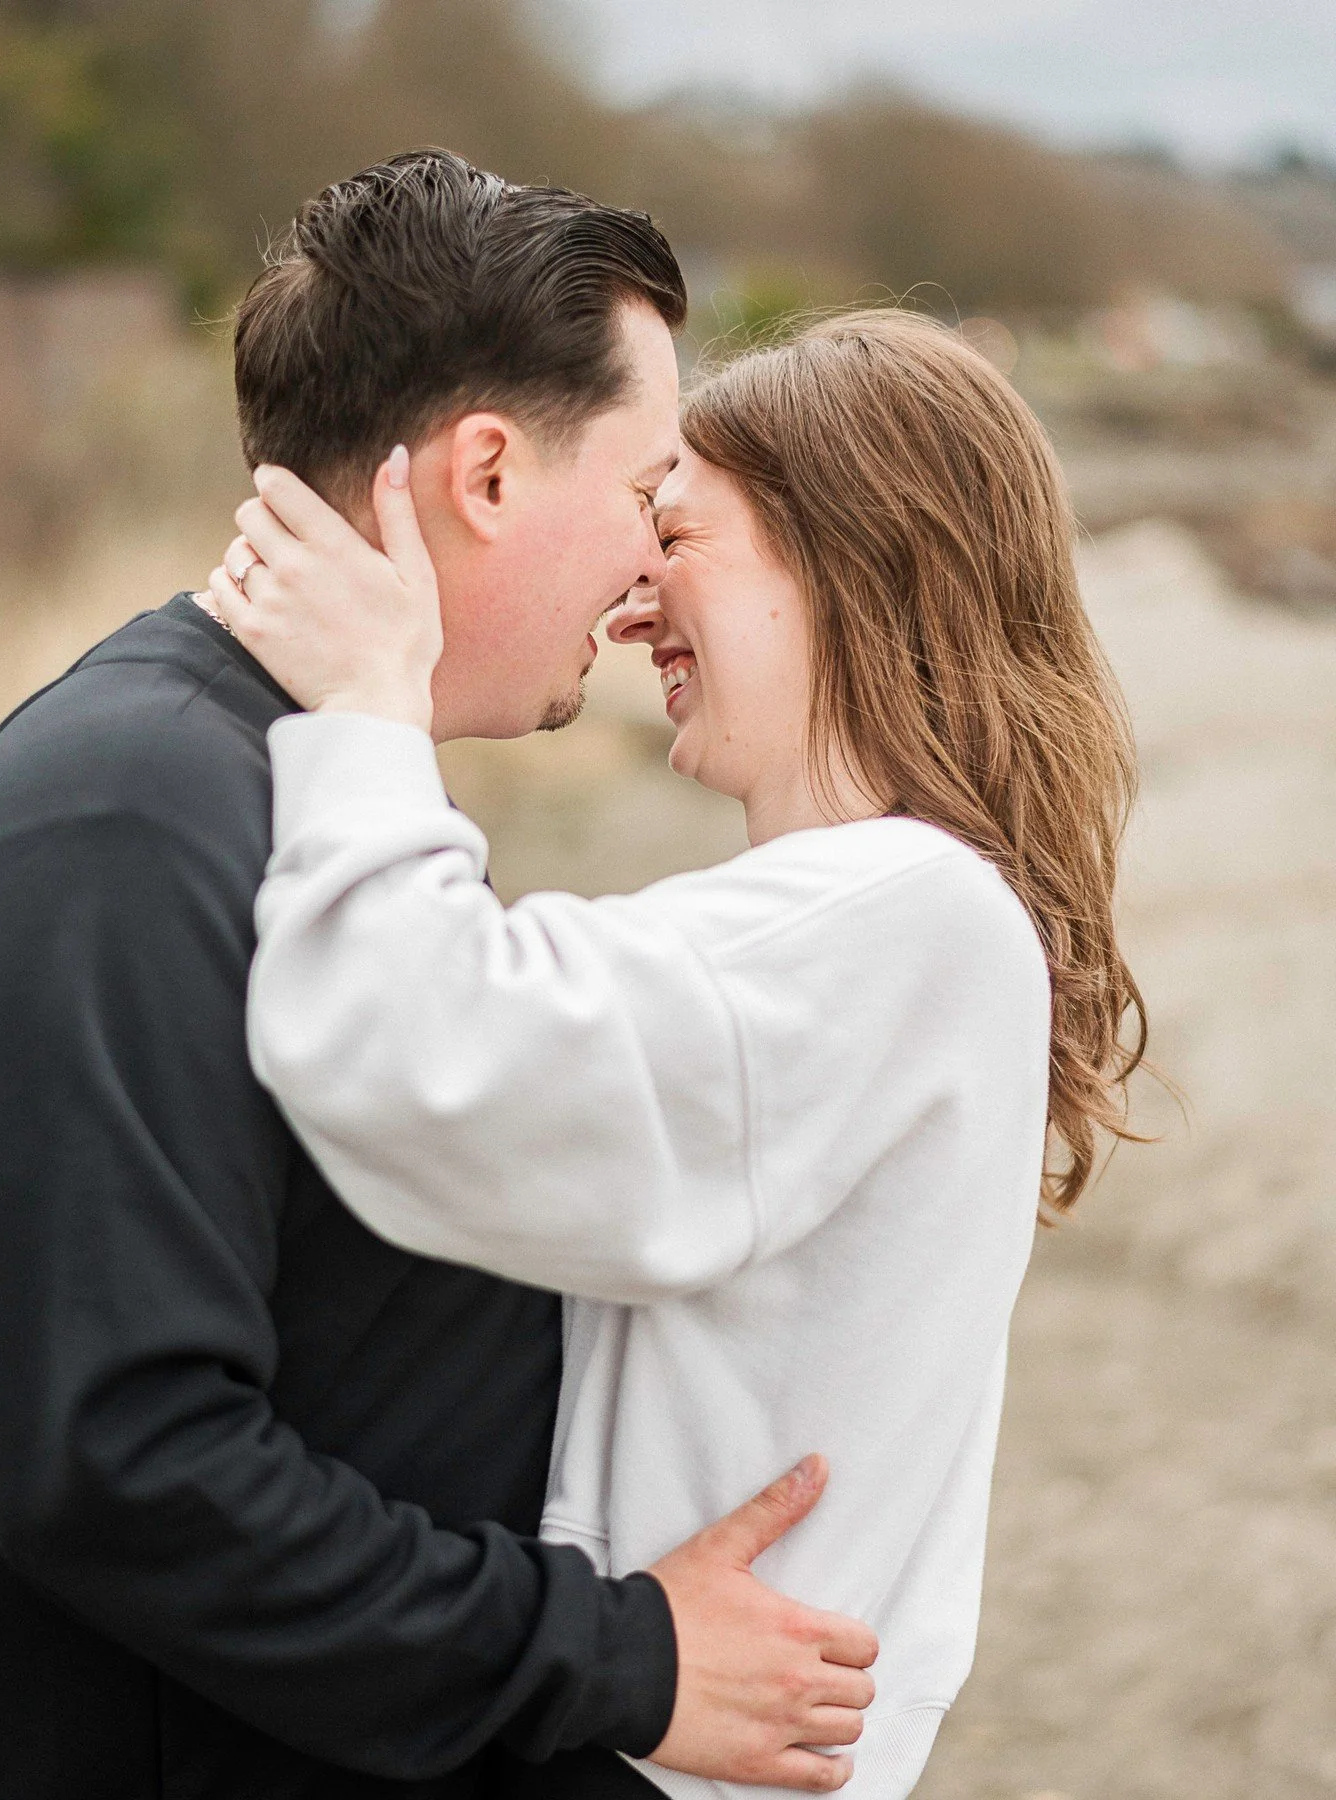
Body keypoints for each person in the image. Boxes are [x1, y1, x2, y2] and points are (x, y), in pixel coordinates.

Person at [0, 153, 880, 1800]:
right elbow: (123, 1467)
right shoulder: (121, 825)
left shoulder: (299, 788)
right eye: (644, 494)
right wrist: (615, 1657)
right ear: (488, 474)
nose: (650, 570)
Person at [206, 308, 1150, 1800]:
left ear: (847, 556)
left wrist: (371, 707)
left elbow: (416, 1049)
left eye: (679, 533)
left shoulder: (906, 913)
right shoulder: (896, 916)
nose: (636, 602)